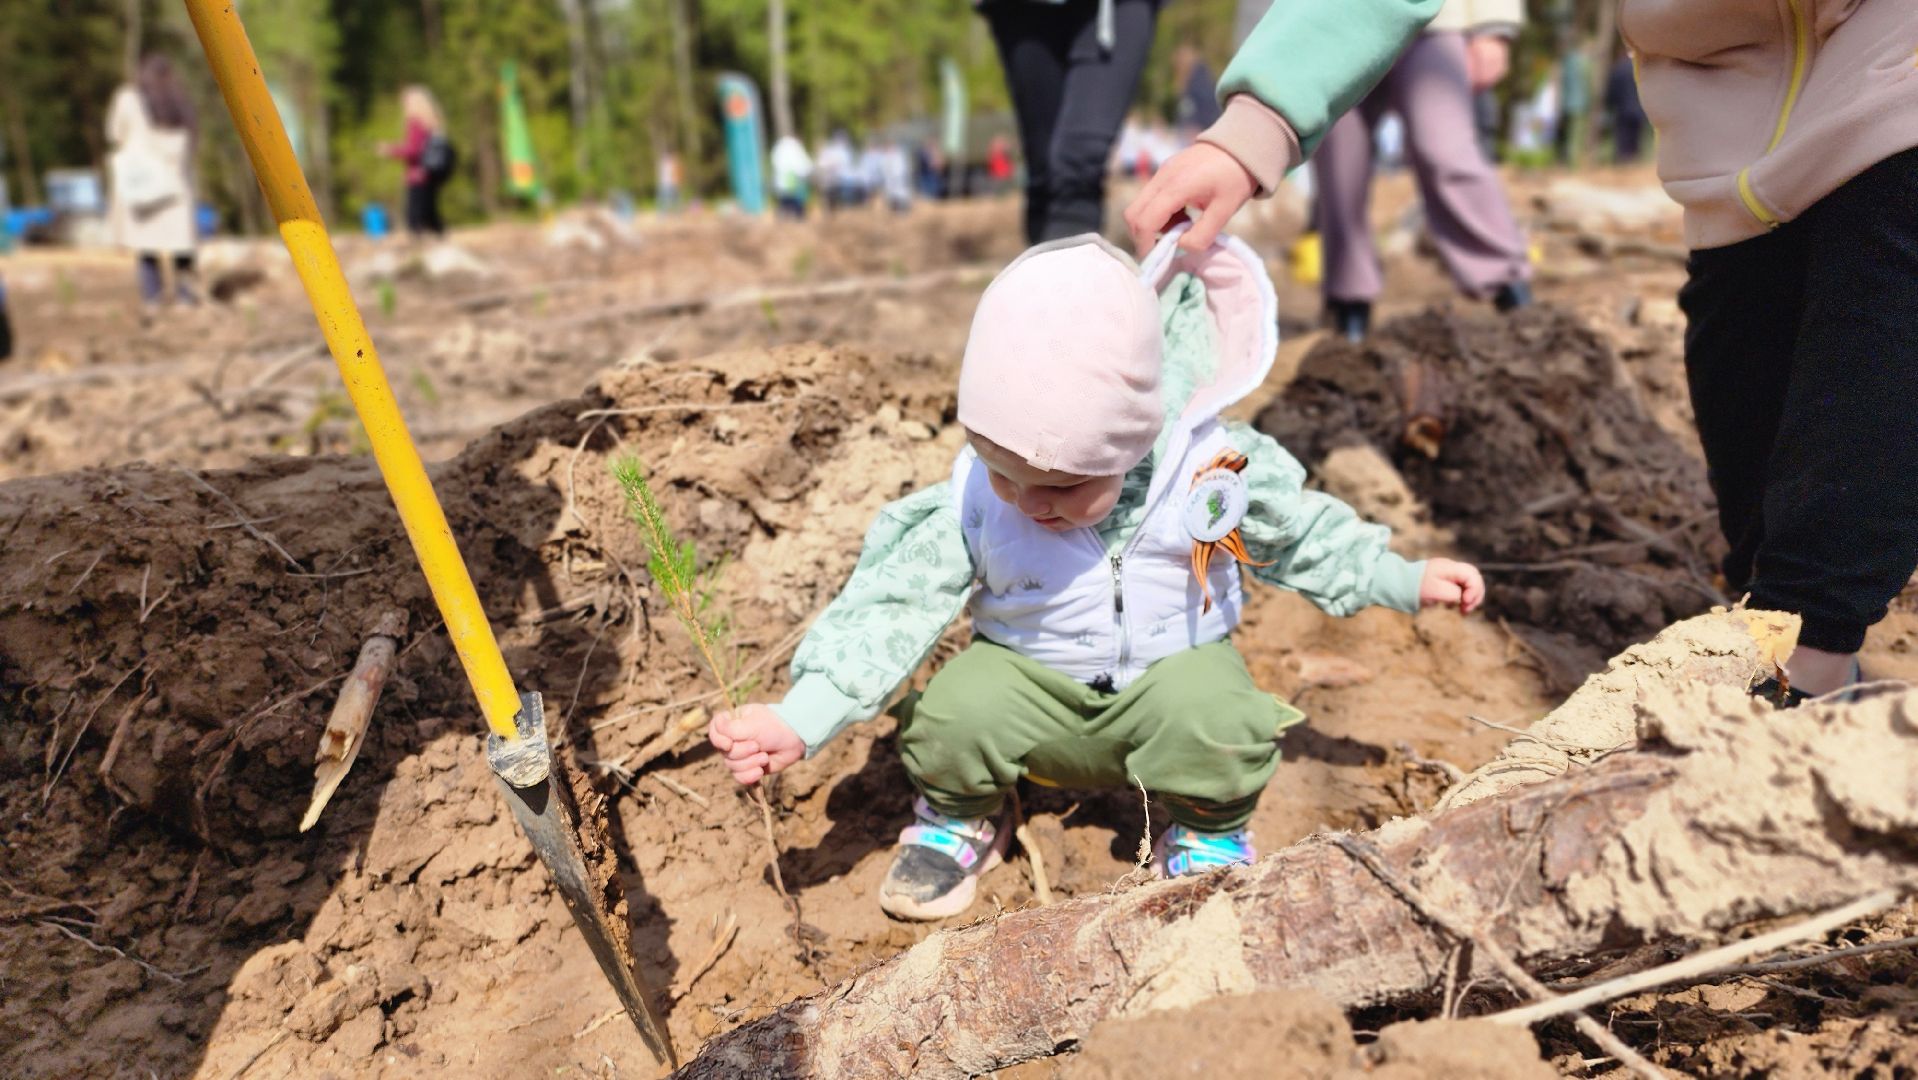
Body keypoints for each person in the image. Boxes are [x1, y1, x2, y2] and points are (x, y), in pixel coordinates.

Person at [1131, 0, 1918, 703]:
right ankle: (1780, 609)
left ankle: (1806, 659)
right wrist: (1254, 130)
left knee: (1881, 300)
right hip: (1730, 106)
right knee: (1747, 395)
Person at [706, 231, 1484, 920]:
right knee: (950, 715)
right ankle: (962, 815)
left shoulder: (1207, 471)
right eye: (1004, 473)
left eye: (1064, 485)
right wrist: (801, 716)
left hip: (1169, 680)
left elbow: (1304, 535)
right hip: (1030, 687)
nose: (1028, 503)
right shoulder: (977, 494)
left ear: (1137, 436)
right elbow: (889, 608)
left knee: (1222, 716)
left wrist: (1399, 576)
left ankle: (1207, 831)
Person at [977, 0, 1163, 243]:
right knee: (1042, 174)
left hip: (1116, 8)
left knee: (1077, 165)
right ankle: (1040, 272)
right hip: (1022, 11)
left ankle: (1070, 277)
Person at [107, 54, 200, 310]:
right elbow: (190, 140)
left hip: (142, 182)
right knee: (181, 244)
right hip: (175, 182)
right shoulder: (179, 99)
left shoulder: (127, 98)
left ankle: (153, 299)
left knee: (146, 246)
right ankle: (185, 296)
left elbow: (114, 133)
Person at [382, 86, 450, 239]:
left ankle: (419, 249)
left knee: (414, 217)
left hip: (418, 174)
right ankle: (442, 242)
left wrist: (390, 150)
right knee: (430, 213)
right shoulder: (432, 124)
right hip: (432, 172)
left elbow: (413, 150)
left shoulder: (415, 122)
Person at [1602, 54, 1646, 164]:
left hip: (1622, 109)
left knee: (1623, 138)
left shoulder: (1618, 68)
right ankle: (1633, 162)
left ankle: (1623, 163)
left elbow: (1612, 90)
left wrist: (1610, 104)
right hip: (1638, 107)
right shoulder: (1641, 69)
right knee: (1635, 138)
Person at [770, 134, 813, 220]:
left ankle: (785, 216)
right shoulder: (795, 148)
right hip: (794, 180)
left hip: (783, 181)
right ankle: (797, 217)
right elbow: (804, 165)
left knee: (785, 202)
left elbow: (775, 163)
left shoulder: (780, 147)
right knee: (796, 202)